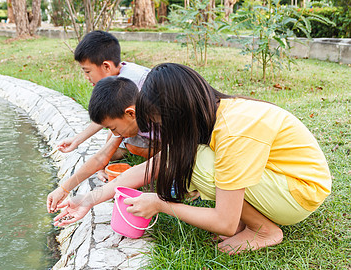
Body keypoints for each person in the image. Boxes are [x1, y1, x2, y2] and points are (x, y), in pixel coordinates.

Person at [53, 63, 332, 255]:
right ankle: (250, 222)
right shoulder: (216, 114)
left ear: (179, 111)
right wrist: (88, 199)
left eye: (163, 120)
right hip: (283, 182)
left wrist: (160, 205)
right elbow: (152, 167)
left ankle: (264, 231)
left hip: (299, 193)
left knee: (196, 162)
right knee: (188, 157)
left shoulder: (234, 131)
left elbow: (223, 222)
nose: (165, 128)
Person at [47, 77, 154, 213]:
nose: (114, 132)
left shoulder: (161, 123)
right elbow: (101, 157)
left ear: (131, 113)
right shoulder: (129, 119)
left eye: (113, 127)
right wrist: (64, 189)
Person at [56, 30, 150, 160]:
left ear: (106, 66)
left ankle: (159, 158)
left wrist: (103, 160)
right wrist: (77, 140)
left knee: (130, 146)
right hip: (137, 124)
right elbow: (106, 115)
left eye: (88, 71)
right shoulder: (122, 72)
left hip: (161, 133)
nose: (87, 77)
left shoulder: (131, 82)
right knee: (113, 134)